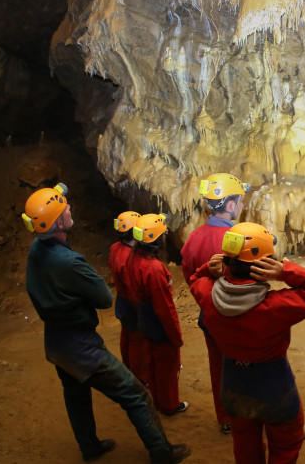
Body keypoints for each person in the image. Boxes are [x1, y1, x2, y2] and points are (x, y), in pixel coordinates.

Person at [21, 183, 190, 463]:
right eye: (65, 208)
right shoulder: (69, 262)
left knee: (75, 395)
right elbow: (102, 298)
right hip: (81, 346)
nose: (70, 208)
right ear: (59, 221)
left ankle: (89, 446)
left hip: (55, 341)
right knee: (136, 395)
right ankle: (162, 453)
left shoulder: (37, 248)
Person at [189, 222, 305, 464]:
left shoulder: (207, 297)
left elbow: (195, 278)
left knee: (244, 444)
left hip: (234, 385)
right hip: (275, 388)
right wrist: (284, 272)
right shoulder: (275, 307)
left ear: (226, 262)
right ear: (263, 266)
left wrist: (209, 268)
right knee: (285, 446)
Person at [180, 172, 250, 434]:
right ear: (230, 205)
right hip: (239, 319)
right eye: (240, 200)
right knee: (247, 367)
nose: (242, 205)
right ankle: (249, 417)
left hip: (209, 316)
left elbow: (191, 276)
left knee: (218, 366)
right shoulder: (240, 237)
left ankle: (226, 418)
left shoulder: (193, 237)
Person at [128, 213, 188, 416]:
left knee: (152, 362)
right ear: (157, 239)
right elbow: (164, 307)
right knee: (167, 367)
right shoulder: (154, 269)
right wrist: (176, 336)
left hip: (144, 317)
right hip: (158, 322)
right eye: (163, 233)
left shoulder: (133, 257)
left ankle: (157, 398)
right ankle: (169, 405)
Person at [109, 210, 149, 382]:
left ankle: (127, 368)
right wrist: (141, 310)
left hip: (121, 302)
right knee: (137, 341)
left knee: (126, 336)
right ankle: (139, 378)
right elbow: (133, 289)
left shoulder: (115, 248)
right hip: (132, 305)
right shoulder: (130, 257)